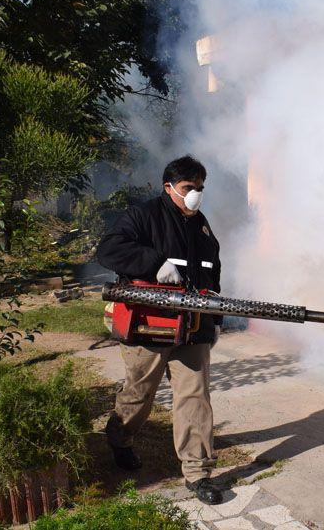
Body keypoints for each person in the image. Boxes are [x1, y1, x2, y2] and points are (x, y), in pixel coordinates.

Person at [95, 155, 223, 505]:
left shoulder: (202, 228)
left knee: (195, 398)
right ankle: (120, 438)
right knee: (140, 393)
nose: (195, 195)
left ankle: (198, 473)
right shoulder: (143, 216)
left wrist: (215, 323)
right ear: (169, 188)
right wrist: (155, 263)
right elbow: (108, 249)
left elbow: (212, 276)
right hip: (149, 327)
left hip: (192, 329)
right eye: (188, 188)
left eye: (200, 188)